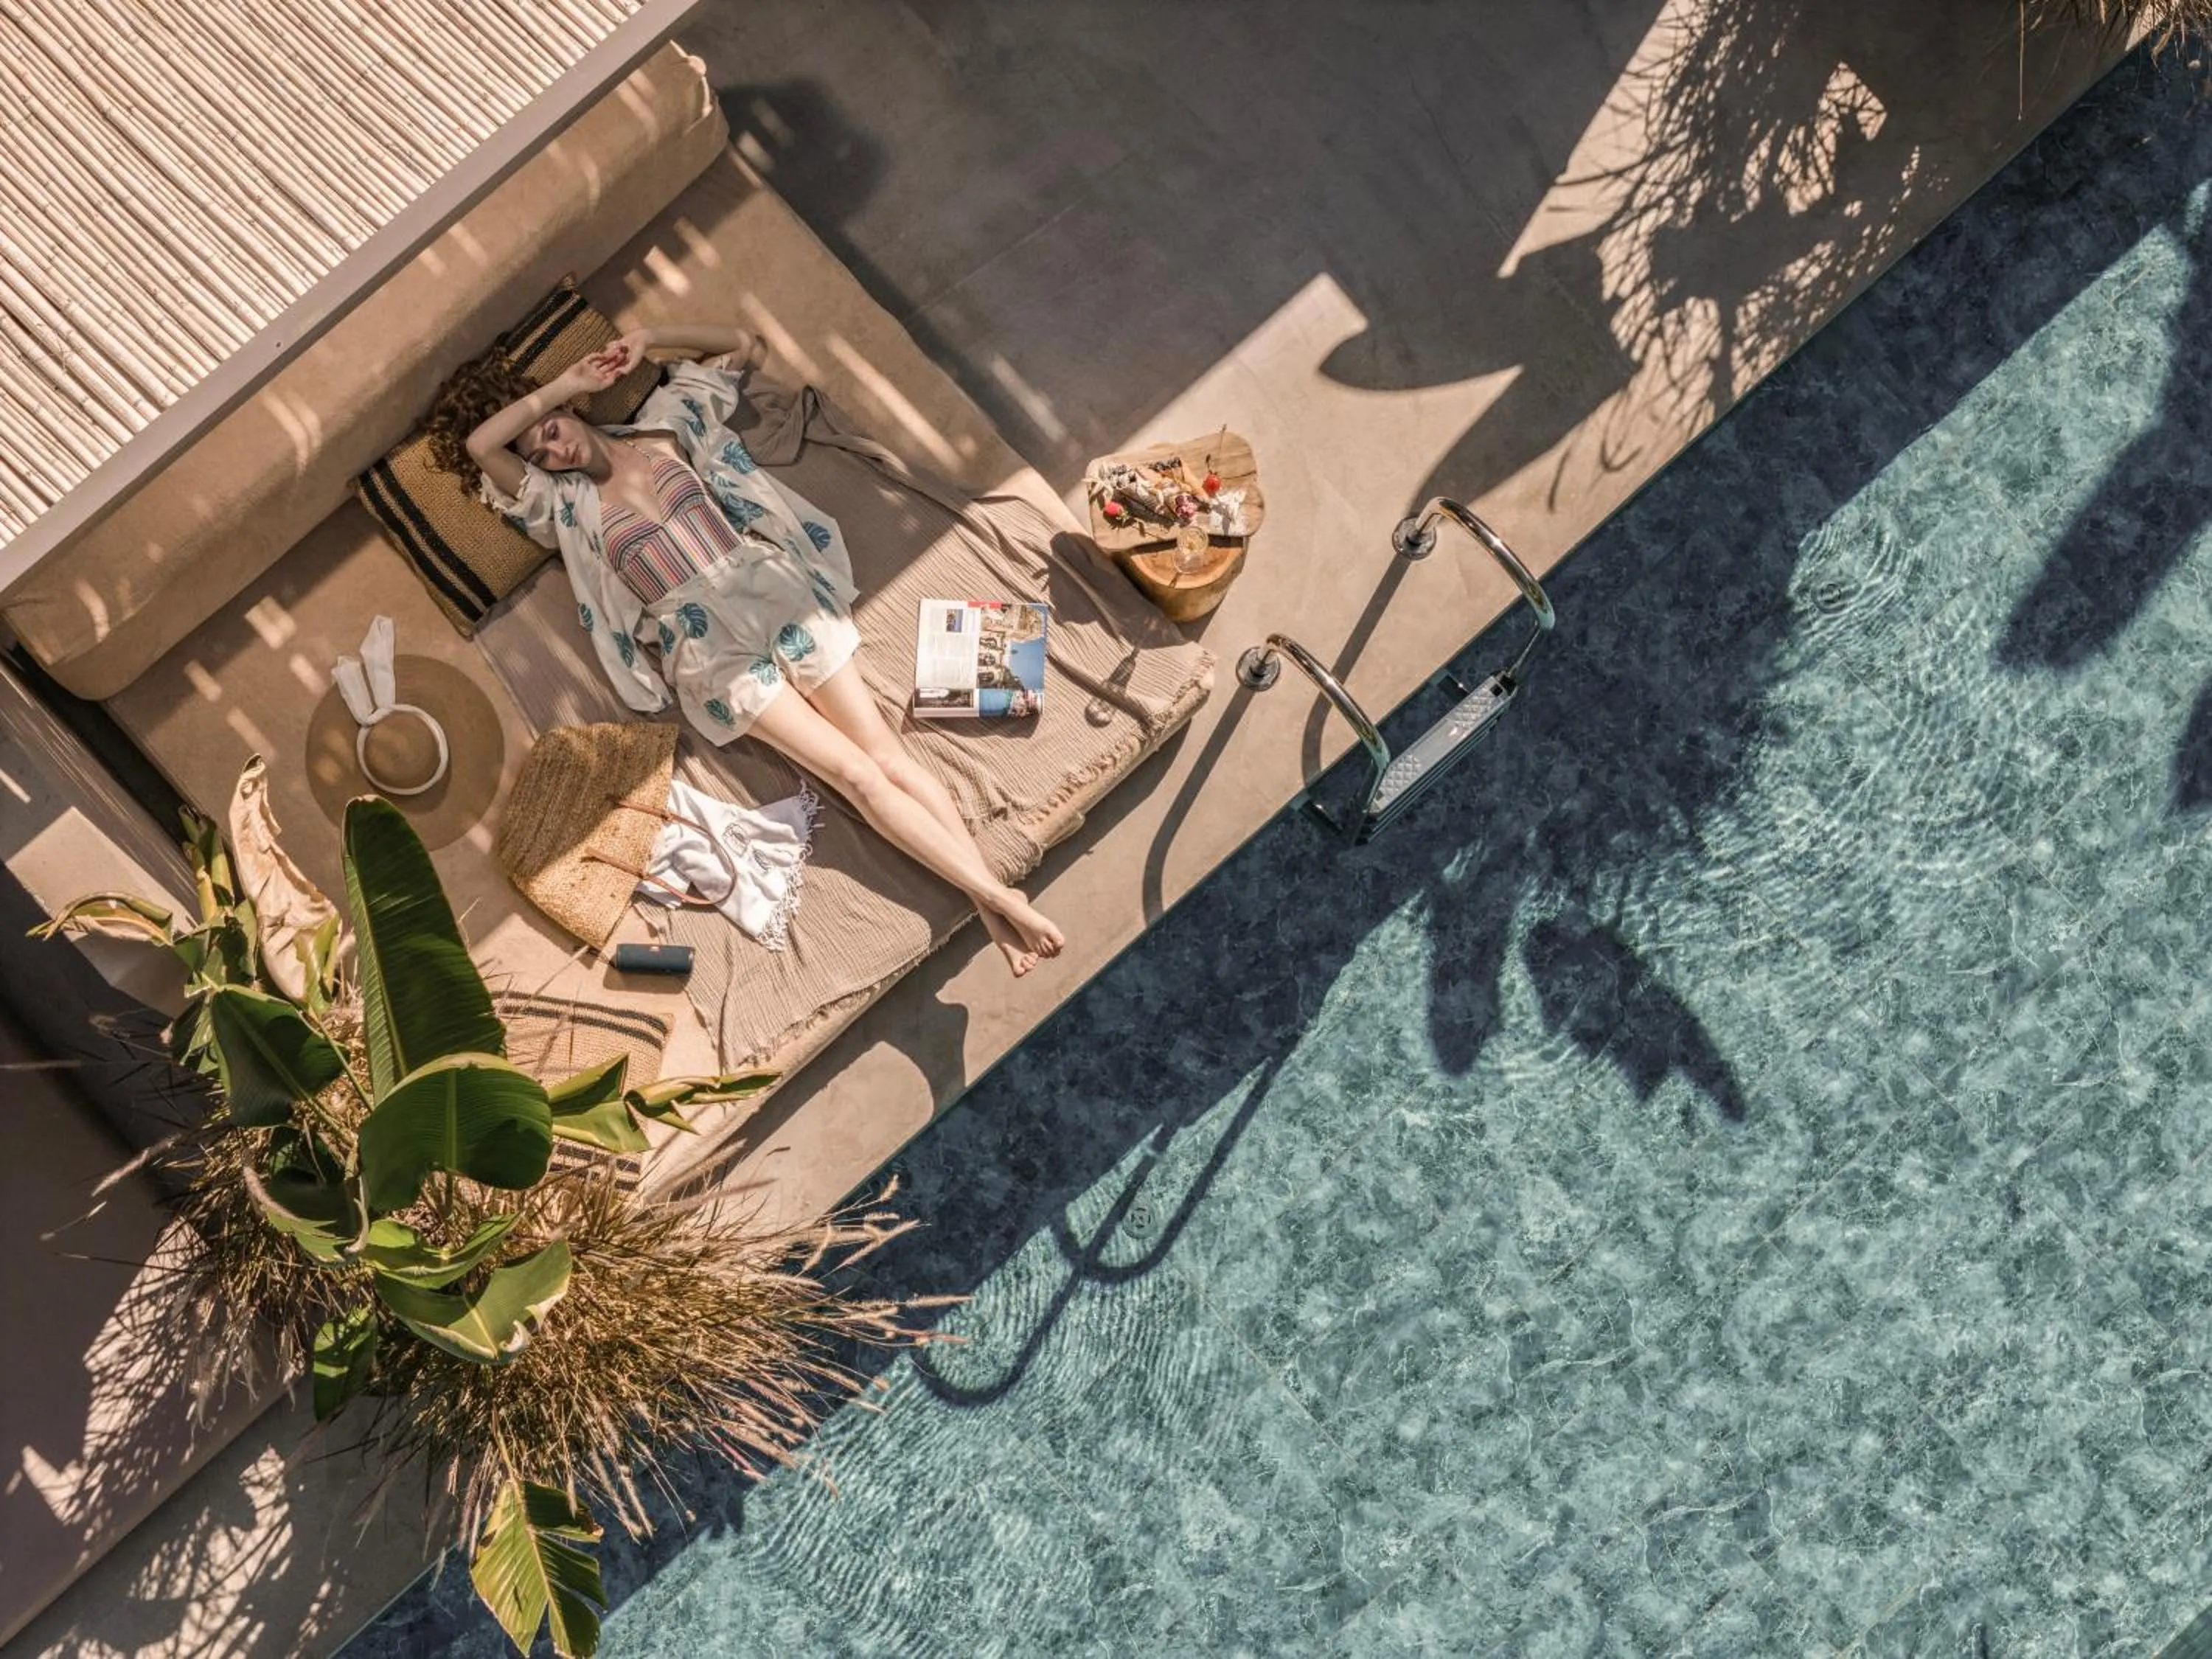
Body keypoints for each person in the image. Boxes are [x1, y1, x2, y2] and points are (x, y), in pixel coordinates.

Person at [437, 323, 1064, 977]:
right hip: (710, 651)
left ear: (572, 414)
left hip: (775, 593)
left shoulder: (660, 429)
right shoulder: (557, 504)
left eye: (552, 430)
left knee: (888, 756)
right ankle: (996, 896)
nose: (553, 452)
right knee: (854, 776)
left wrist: (650, 337)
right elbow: (482, 445)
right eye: (538, 451)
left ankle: (992, 901)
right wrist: (562, 388)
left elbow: (742, 342)